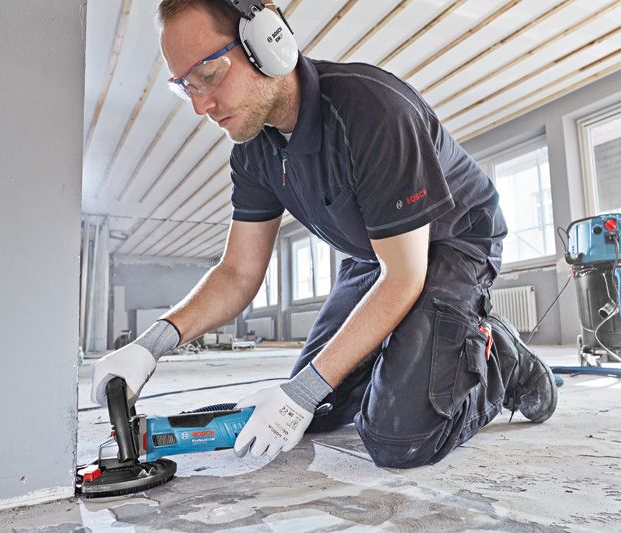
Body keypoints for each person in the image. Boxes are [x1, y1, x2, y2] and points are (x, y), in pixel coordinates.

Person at [90, 0, 558, 468]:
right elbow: (237, 273)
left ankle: (502, 360)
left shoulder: (373, 110)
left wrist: (307, 387)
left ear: (267, 41)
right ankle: (421, 348)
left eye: (209, 74)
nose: (200, 106)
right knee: (319, 408)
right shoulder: (254, 150)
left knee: (398, 437)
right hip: (376, 255)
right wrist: (149, 346)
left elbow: (404, 276)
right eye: (185, 87)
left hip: (452, 241)